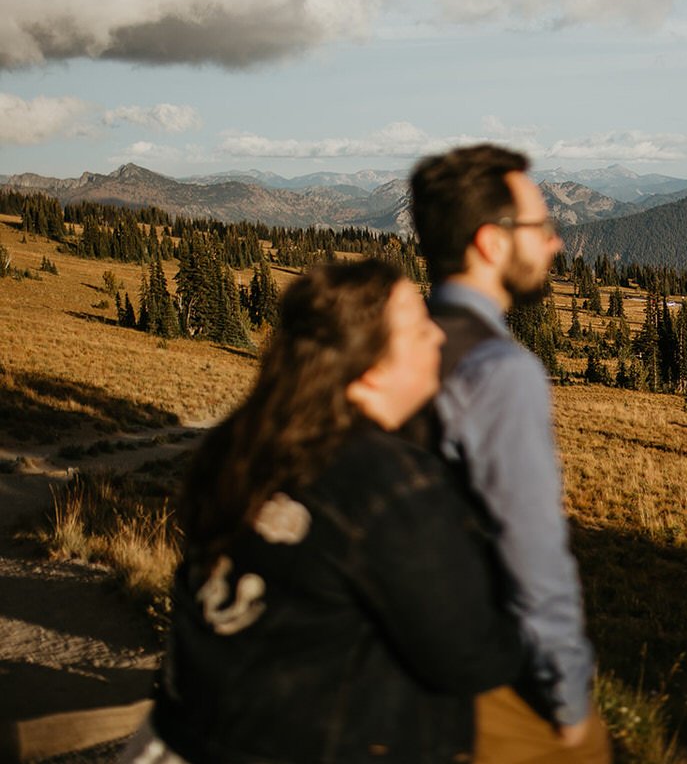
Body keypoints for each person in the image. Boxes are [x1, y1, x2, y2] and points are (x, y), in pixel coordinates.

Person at [138, 259, 523, 763]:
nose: (436, 334)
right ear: (365, 368)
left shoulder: (238, 446)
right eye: (416, 325)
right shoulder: (390, 484)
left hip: (176, 738)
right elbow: (471, 657)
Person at [409, 146, 610, 763]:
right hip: (476, 677)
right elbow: (533, 555)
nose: (554, 246)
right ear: (491, 243)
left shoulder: (402, 347)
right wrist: (569, 699)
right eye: (541, 229)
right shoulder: (498, 371)